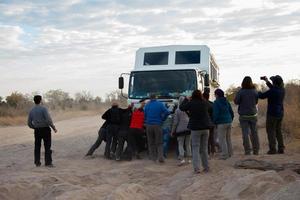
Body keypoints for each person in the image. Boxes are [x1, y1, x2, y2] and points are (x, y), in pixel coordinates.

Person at [180, 90, 211, 174]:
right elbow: (211, 107)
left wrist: (186, 99)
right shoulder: (204, 102)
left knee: (195, 148)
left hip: (195, 128)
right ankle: (206, 167)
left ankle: (197, 169)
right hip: (205, 128)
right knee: (204, 149)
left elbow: (181, 107)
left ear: (192, 96)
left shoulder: (191, 103)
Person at [27, 95, 57, 167]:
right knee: (47, 146)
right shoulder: (44, 109)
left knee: (37, 146)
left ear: (34, 101)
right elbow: (48, 120)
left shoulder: (32, 110)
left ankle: (37, 162)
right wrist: (53, 128)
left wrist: (34, 127)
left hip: (37, 130)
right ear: (40, 100)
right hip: (45, 129)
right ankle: (48, 163)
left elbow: (29, 123)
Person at [259, 75, 285, 154]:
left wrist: (257, 91)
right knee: (278, 131)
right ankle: (281, 148)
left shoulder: (273, 91)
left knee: (270, 131)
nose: (272, 82)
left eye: (273, 81)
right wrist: (266, 81)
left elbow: (262, 96)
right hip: (280, 113)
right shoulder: (282, 89)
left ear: (275, 83)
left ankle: (273, 149)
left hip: (272, 113)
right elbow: (272, 88)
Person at [234, 76, 260, 155]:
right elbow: (256, 102)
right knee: (254, 133)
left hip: (244, 116)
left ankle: (247, 151)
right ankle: (256, 150)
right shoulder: (255, 91)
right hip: (253, 115)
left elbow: (236, 102)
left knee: (245, 134)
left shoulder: (241, 92)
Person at [144, 94, 170, 163]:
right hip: (158, 125)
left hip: (149, 125)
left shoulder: (147, 105)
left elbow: (145, 115)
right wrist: (162, 119)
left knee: (151, 142)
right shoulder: (160, 104)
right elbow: (167, 112)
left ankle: (153, 158)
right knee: (159, 142)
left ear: (150, 98)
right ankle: (161, 158)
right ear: (156, 97)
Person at [213, 89, 234, 160]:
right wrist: (230, 119)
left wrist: (214, 122)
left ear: (217, 95)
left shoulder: (216, 102)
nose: (214, 96)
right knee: (228, 138)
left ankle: (224, 155)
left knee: (222, 139)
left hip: (221, 123)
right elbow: (231, 112)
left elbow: (216, 113)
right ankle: (230, 153)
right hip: (229, 121)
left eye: (215, 94)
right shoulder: (226, 101)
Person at [171, 96, 191, 166]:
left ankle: (182, 159)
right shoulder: (188, 109)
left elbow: (175, 122)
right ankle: (189, 159)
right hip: (189, 129)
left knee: (180, 144)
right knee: (188, 144)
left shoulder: (177, 110)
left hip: (180, 130)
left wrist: (172, 131)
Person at [203, 91, 215, 157]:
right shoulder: (212, 104)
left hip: (205, 123)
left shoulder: (203, 104)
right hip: (212, 123)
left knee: (206, 138)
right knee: (211, 138)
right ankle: (213, 151)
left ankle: (208, 151)